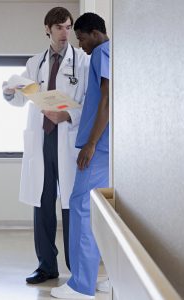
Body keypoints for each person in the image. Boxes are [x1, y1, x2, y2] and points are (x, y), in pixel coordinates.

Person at [2, 7, 89, 284]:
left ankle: (76, 268)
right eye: (59, 28)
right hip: (42, 140)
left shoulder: (83, 62)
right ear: (48, 29)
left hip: (68, 139)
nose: (65, 33)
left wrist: (67, 115)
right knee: (42, 205)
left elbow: (89, 103)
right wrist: (8, 92)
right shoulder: (34, 63)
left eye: (68, 27)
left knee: (71, 208)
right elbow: (22, 99)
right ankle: (46, 266)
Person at [51, 12, 110, 299]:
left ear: (95, 33)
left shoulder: (101, 52)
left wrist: (90, 144)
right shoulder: (115, 53)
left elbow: (107, 100)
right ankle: (106, 280)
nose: (81, 44)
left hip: (98, 149)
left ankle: (81, 286)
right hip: (110, 149)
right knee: (105, 214)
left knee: (82, 208)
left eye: (82, 37)